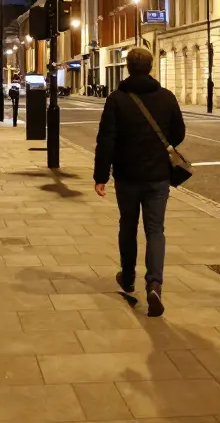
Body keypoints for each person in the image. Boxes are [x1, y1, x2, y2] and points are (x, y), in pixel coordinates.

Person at [93, 47, 185, 317]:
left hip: (127, 176)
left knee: (128, 225)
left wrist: (101, 177)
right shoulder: (167, 97)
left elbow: (106, 140)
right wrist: (159, 148)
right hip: (158, 176)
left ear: (128, 67)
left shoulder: (117, 99)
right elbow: (179, 133)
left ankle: (128, 276)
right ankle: (154, 284)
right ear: (150, 67)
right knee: (155, 230)